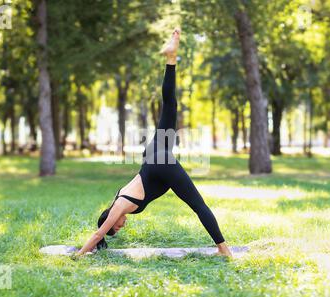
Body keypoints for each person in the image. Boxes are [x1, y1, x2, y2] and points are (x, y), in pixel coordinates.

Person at [76, 28, 232, 258]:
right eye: (118, 229)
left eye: (116, 226)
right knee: (170, 106)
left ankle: (225, 251)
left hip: (159, 162)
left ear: (110, 216)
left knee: (198, 206)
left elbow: (99, 234)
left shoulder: (118, 207)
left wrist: (78, 254)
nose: (121, 226)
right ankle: (171, 58)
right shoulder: (119, 197)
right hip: (153, 156)